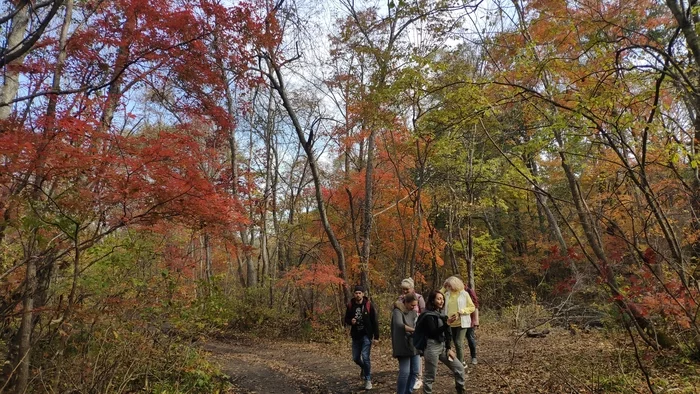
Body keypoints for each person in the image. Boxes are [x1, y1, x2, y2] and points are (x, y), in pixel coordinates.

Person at [417, 290, 466, 394]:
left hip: (443, 347)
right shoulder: (427, 315)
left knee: (459, 368)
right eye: (438, 299)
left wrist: (449, 348)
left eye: (442, 299)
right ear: (432, 300)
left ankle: (461, 390)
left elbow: (448, 333)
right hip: (431, 347)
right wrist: (447, 324)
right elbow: (433, 333)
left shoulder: (442, 314)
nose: (441, 301)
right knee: (430, 376)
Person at [344, 285, 379, 390]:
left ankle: (368, 379)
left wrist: (376, 337)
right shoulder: (351, 305)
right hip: (355, 336)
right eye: (356, 293)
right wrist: (351, 321)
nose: (358, 295)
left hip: (366, 335)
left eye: (360, 293)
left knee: (365, 356)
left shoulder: (368, 305)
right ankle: (364, 368)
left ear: (363, 294)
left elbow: (374, 321)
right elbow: (346, 319)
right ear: (354, 294)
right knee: (355, 358)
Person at [396, 277, 425, 390]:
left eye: (407, 289)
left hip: (417, 330)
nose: (404, 291)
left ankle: (418, 378)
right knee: (405, 370)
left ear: (412, 288)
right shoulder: (399, 301)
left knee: (416, 363)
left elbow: (423, 312)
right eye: (403, 289)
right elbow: (398, 322)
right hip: (405, 335)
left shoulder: (419, 298)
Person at [442, 276, 476, 367]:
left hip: (462, 322)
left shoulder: (464, 294)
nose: (449, 287)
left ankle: (460, 365)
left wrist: (461, 312)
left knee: (458, 342)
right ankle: (462, 361)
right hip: (450, 323)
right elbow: (437, 296)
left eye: (450, 285)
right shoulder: (447, 294)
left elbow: (472, 307)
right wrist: (443, 287)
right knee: (452, 343)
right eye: (448, 286)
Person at [391, 293, 420, 394]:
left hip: (413, 344)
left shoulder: (413, 312)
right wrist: (413, 330)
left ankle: (408, 391)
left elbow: (417, 323)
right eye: (412, 305)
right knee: (405, 372)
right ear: (406, 303)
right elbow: (399, 325)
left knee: (415, 371)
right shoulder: (397, 311)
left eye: (415, 305)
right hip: (403, 343)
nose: (414, 307)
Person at [464, 285, 480, 365]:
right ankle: (460, 359)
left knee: (470, 338)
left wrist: (476, 320)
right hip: (458, 321)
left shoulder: (469, 291)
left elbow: (475, 305)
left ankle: (474, 357)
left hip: (469, 319)